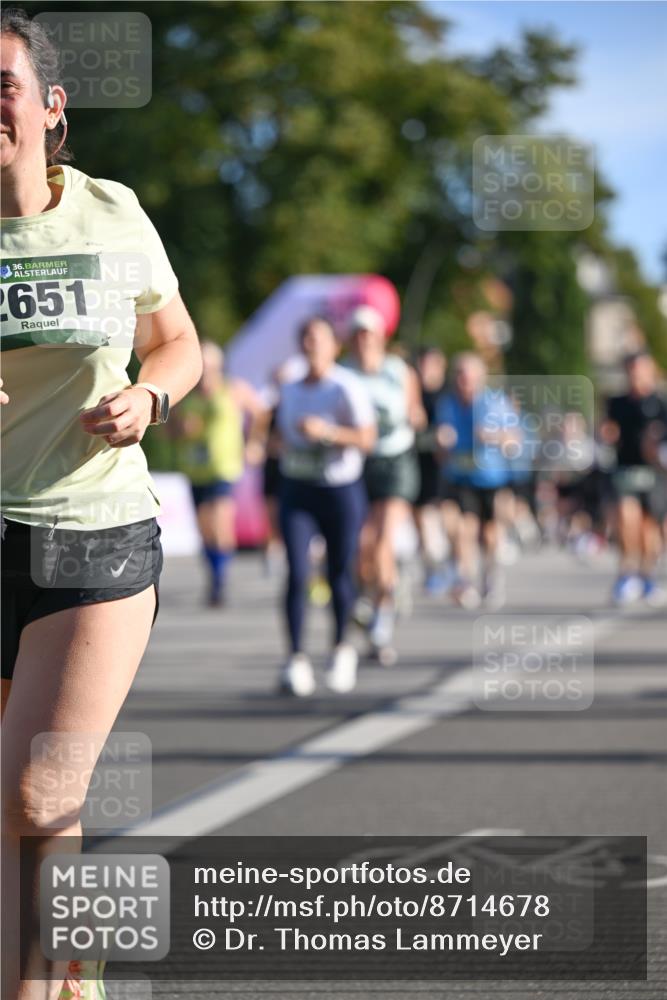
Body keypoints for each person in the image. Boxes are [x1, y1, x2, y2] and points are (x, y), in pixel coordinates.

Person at [0, 10, 202, 999]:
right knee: (28, 810)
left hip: (93, 536)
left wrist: (150, 394)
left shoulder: (110, 213)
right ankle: (74, 970)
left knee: (36, 791)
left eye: (1, 82)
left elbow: (180, 342)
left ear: (50, 103)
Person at [276, 316, 375, 696]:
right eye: (306, 339)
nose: (311, 345)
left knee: (339, 572)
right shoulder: (289, 388)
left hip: (340, 489)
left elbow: (368, 439)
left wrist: (328, 432)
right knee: (298, 573)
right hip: (298, 488)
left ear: (335, 346)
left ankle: (341, 648)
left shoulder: (345, 387)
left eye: (319, 339)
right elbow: (277, 436)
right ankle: (296, 659)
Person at [346, 305, 424, 664]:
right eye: (358, 334)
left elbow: (416, 411)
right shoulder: (343, 372)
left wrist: (414, 417)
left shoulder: (398, 371)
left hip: (396, 459)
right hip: (359, 461)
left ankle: (383, 622)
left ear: (380, 338)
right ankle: (370, 594)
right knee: (361, 546)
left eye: (369, 334)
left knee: (382, 542)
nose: (364, 341)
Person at [173, 341, 264, 605]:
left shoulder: (233, 390)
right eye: (203, 365)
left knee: (219, 521)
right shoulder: (186, 395)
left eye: (211, 365)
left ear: (219, 366)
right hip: (195, 469)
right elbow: (169, 429)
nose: (207, 371)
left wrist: (254, 442)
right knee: (205, 529)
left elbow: (260, 413)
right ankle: (214, 573)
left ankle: (220, 579)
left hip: (224, 467)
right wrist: (181, 429)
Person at [436, 353, 519, 609]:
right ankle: (465, 579)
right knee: (463, 529)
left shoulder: (495, 403)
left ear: (480, 378)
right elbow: (441, 447)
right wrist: (442, 444)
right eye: (460, 375)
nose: (464, 381)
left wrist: (492, 436)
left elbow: (514, 441)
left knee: (491, 535)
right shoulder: (447, 404)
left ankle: (491, 576)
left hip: (490, 477)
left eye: (469, 376)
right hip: (460, 477)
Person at [601, 350, 667, 605]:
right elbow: (607, 430)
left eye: (640, 369)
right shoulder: (616, 402)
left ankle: (647, 577)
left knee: (649, 531)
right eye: (631, 370)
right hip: (625, 471)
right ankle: (627, 573)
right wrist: (607, 433)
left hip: (653, 474)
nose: (636, 375)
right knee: (627, 520)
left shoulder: (660, 403)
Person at [413, 346, 449, 592]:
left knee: (435, 520)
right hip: (414, 464)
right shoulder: (411, 393)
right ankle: (433, 566)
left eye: (431, 365)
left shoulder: (446, 398)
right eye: (422, 365)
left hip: (442, 469)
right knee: (420, 521)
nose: (426, 371)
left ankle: (442, 566)